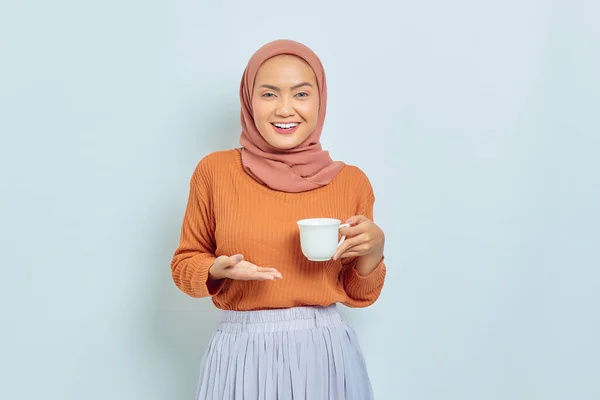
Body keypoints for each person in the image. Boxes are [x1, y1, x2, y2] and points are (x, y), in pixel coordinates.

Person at [170, 39, 387, 400]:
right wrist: (216, 269)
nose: (285, 110)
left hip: (325, 352)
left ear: (321, 99)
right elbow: (183, 266)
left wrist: (373, 252)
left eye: (301, 94)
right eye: (269, 94)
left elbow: (360, 293)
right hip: (242, 353)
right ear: (248, 100)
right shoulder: (215, 171)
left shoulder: (351, 182)